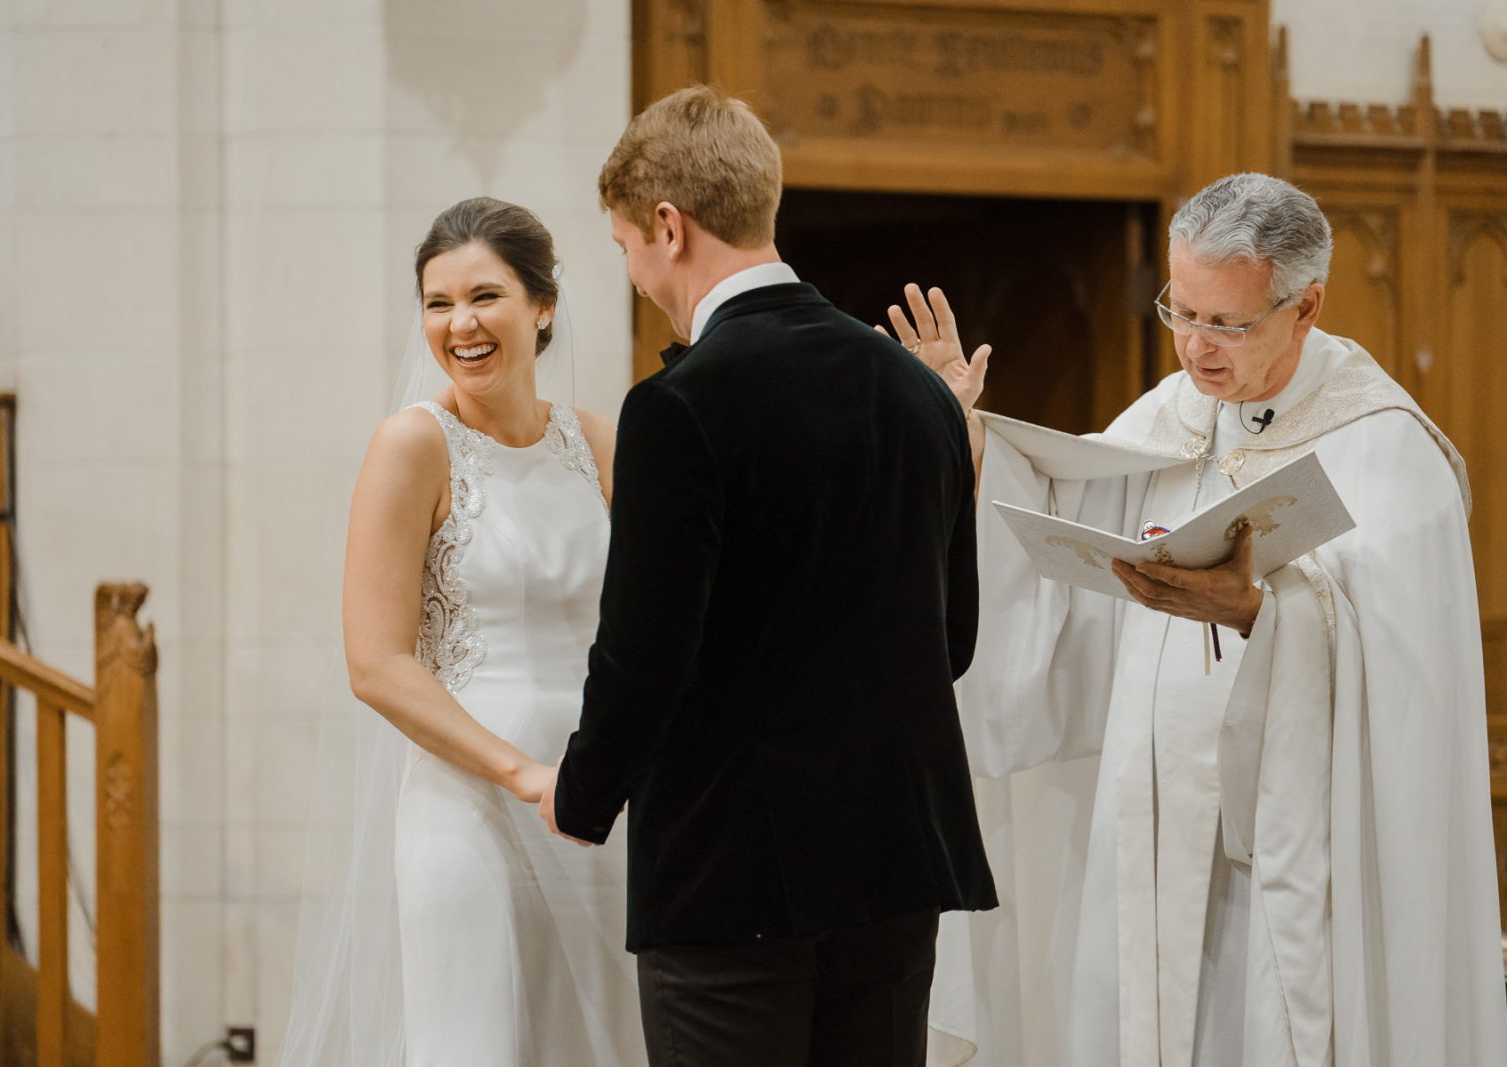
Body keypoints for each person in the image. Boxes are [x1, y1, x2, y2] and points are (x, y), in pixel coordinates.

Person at [888, 172, 1507, 1065]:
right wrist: (967, 437)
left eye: (1227, 323)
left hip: (1289, 867)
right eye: (1180, 310)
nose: (1194, 347)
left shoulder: (1386, 447)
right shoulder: (1169, 416)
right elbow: (1054, 544)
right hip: (1145, 841)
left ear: (1306, 306)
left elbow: (1406, 686)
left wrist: (1261, 613)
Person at [536, 84, 998, 1067]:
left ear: (669, 226)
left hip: (730, 869)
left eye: (624, 247)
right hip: (893, 861)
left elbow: (646, 655)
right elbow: (950, 640)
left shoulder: (677, 404)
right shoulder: (923, 396)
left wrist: (582, 794)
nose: (634, 276)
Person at [279, 197, 647, 1065]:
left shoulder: (603, 443)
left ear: (543, 305)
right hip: (469, 807)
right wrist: (522, 772)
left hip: (599, 802)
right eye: (438, 303)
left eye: (485, 296)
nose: (461, 324)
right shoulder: (413, 445)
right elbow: (375, 663)